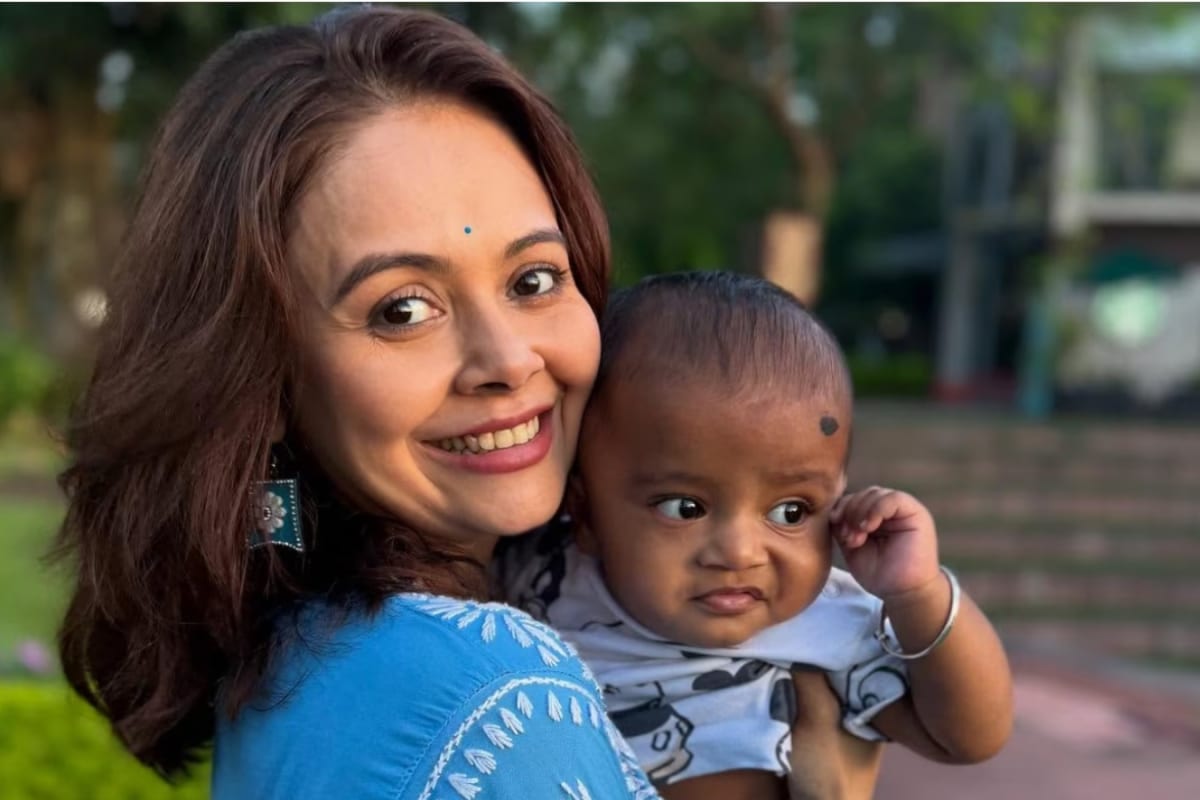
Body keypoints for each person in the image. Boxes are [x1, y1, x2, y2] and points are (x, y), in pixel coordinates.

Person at [53, 7, 659, 799]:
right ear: (264, 374)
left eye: (534, 279)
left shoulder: (295, 654)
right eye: (401, 310)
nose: (508, 361)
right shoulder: (499, 694)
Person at [503, 272, 1014, 799]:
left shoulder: (830, 626)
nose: (740, 553)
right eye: (685, 508)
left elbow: (967, 738)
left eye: (791, 512)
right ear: (584, 512)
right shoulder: (540, 571)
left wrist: (920, 594)